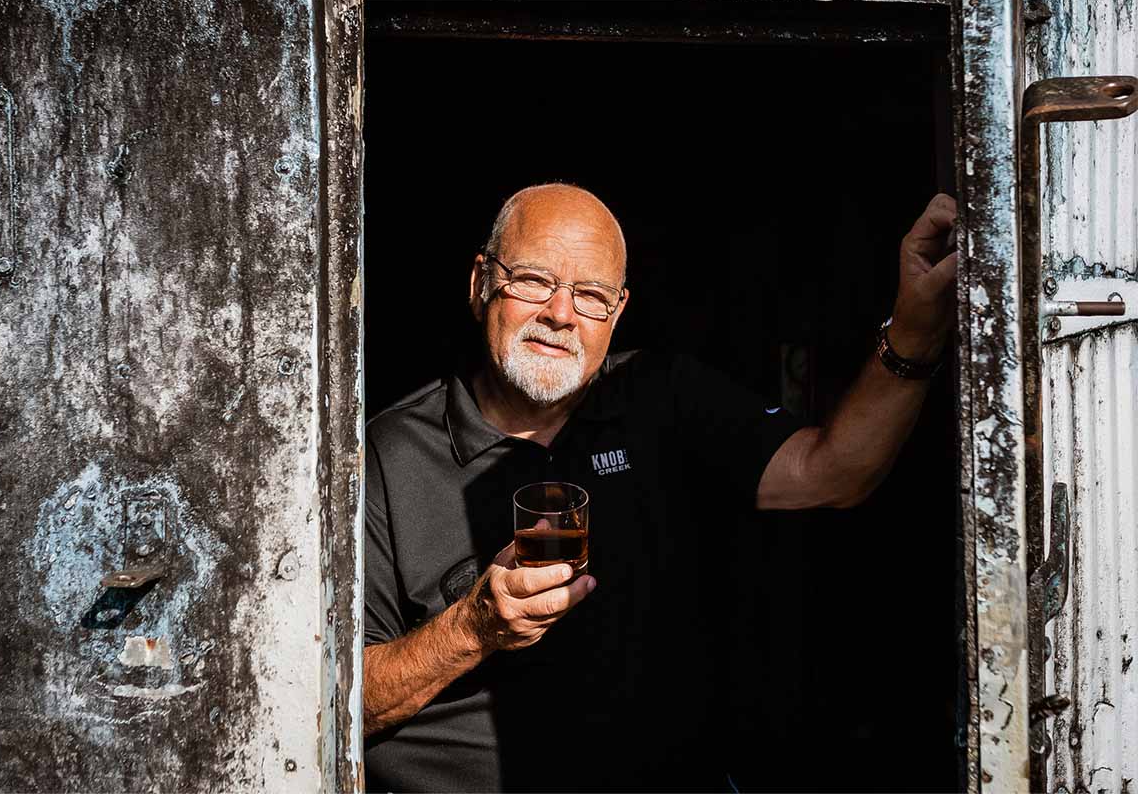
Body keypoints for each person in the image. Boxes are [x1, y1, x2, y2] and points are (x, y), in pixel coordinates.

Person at [363, 183, 957, 792]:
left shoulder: (661, 398)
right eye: (534, 280)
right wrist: (473, 628)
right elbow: (335, 700)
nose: (560, 314)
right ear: (480, 283)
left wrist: (914, 329)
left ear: (617, 312)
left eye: (590, 295)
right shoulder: (385, 456)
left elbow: (834, 472)